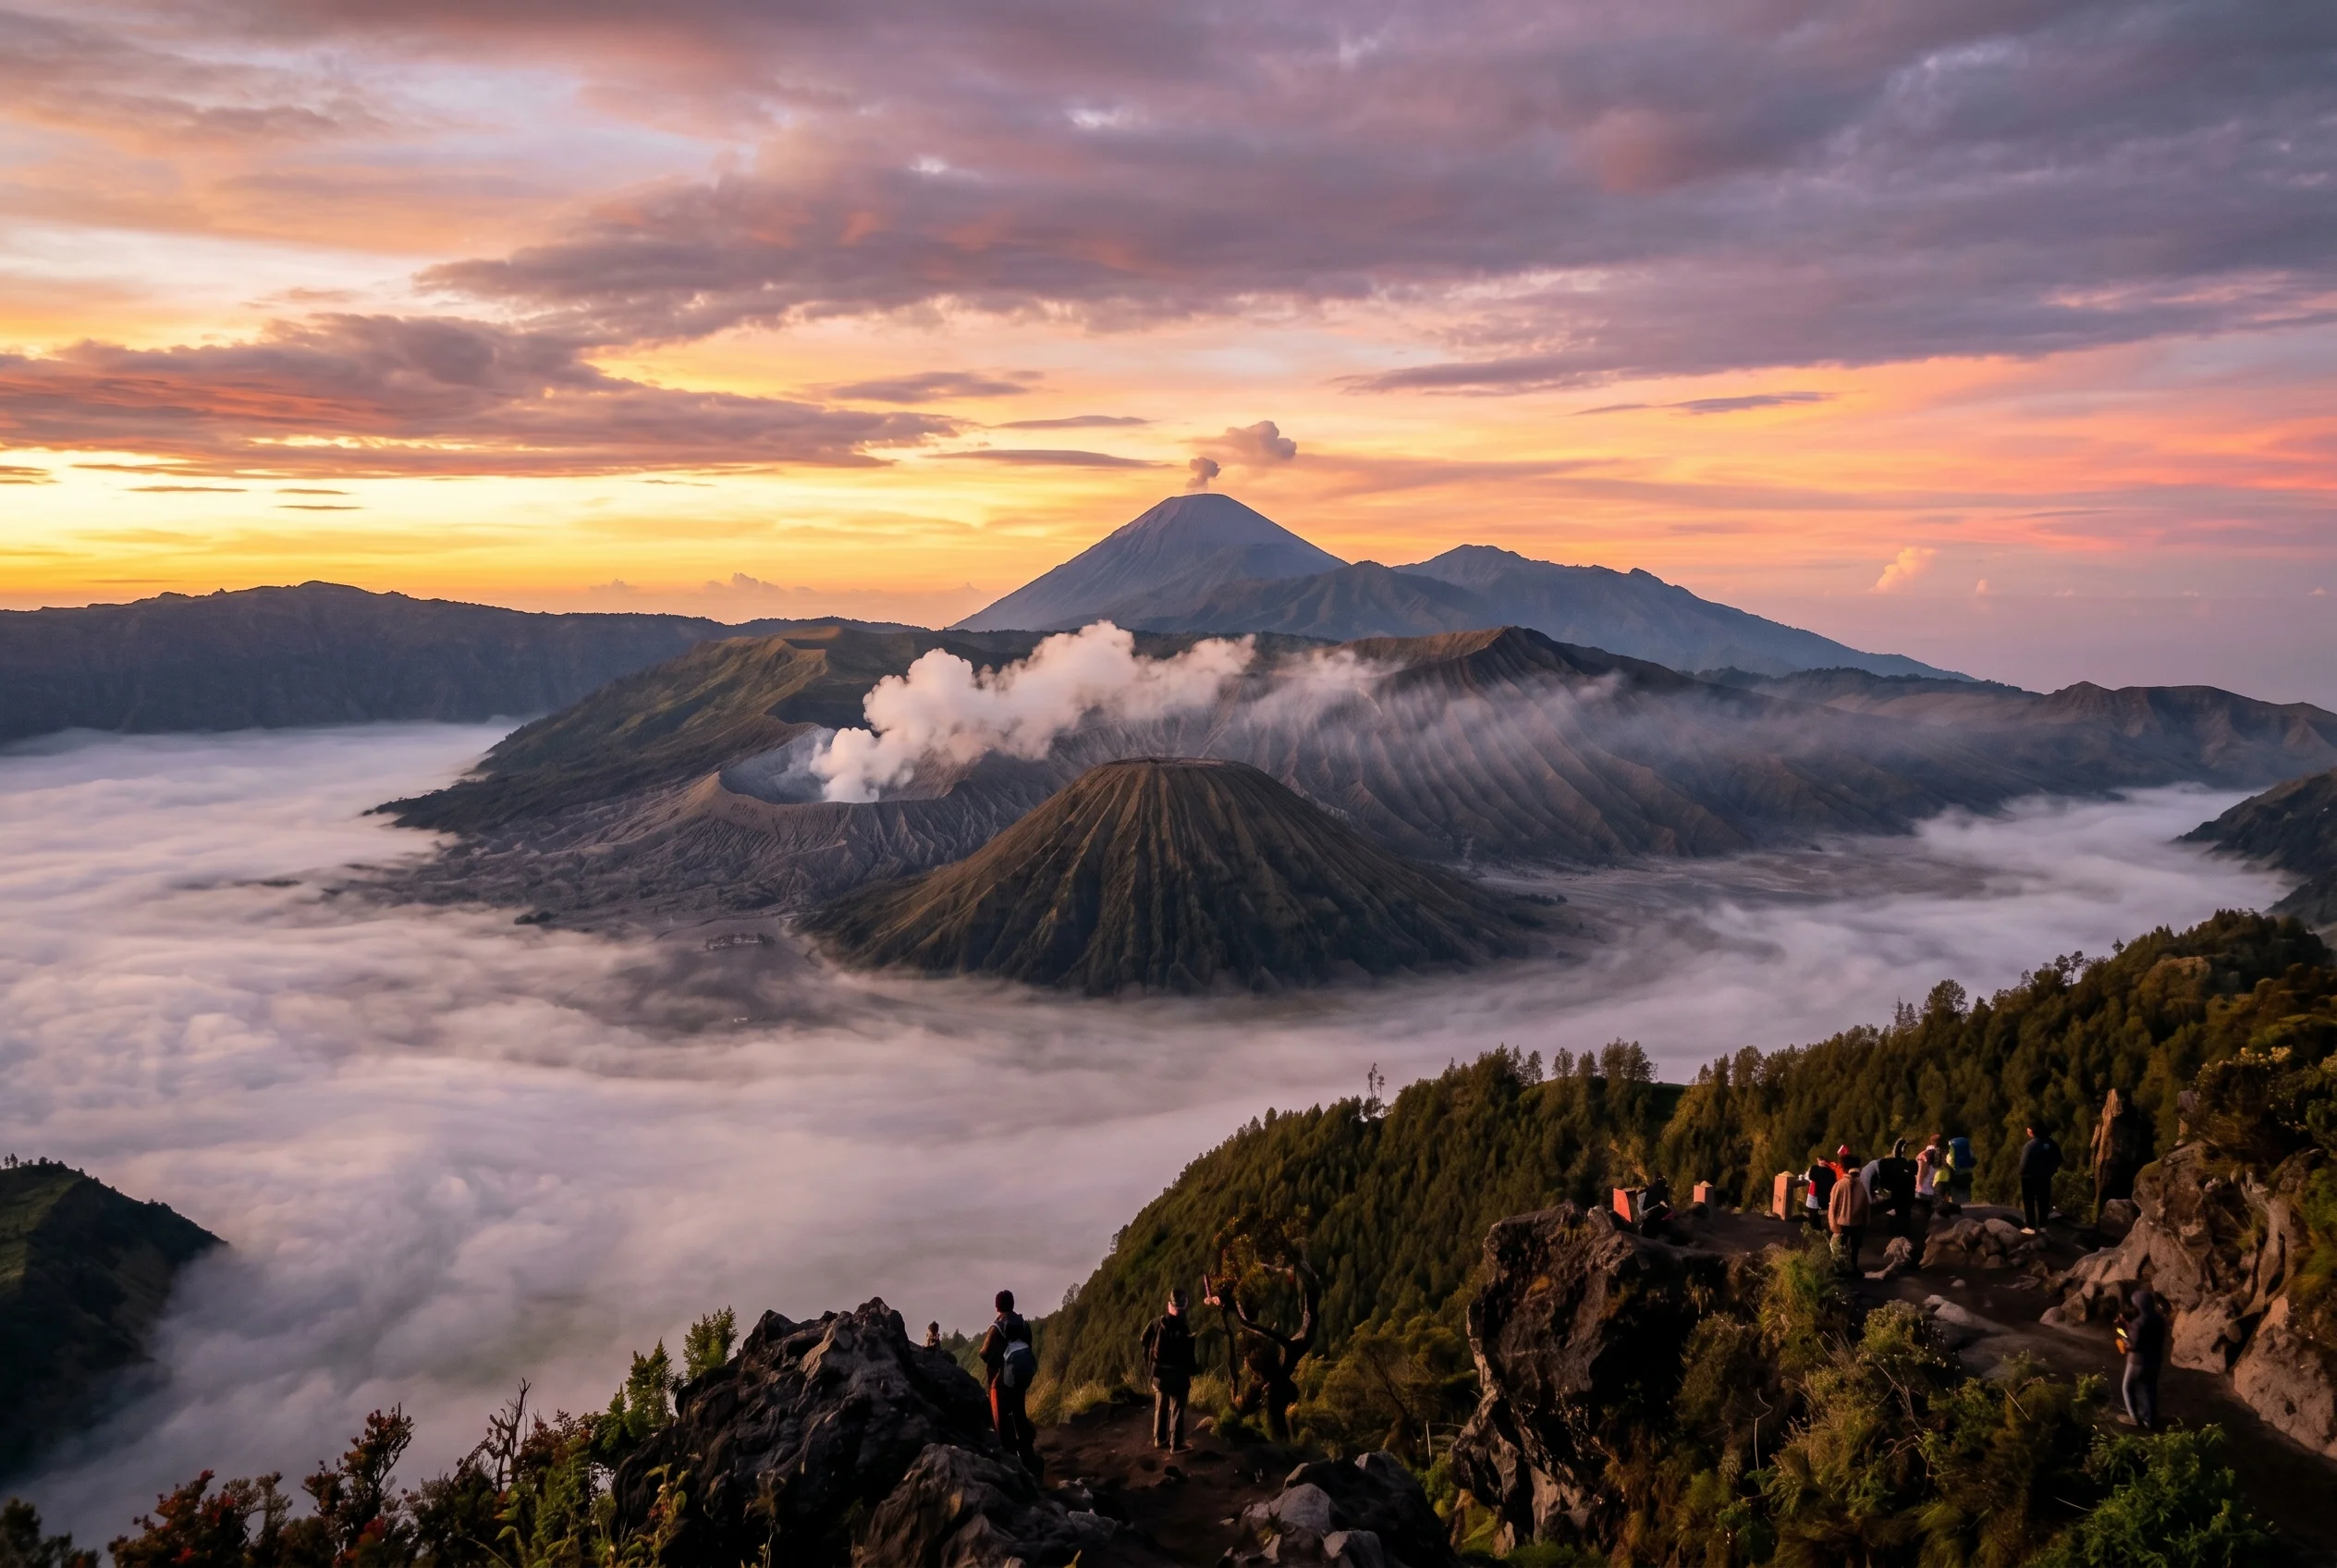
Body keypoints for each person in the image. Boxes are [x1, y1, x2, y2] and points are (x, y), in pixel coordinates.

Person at [980, 1289, 1041, 1475]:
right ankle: (1029, 1458)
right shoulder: (1024, 1325)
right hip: (1021, 1379)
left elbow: (984, 1353)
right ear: (1012, 1304)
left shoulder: (997, 1327)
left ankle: (1012, 1466)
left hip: (1000, 1382)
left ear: (997, 1306)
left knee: (1002, 1422)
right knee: (1020, 1415)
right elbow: (1028, 1346)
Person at [1140, 1288, 1198, 1451]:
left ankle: (1159, 1439)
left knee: (1161, 1404)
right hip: (1178, 1377)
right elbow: (1188, 1357)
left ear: (1169, 1305)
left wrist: (1148, 1362)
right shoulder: (1184, 1329)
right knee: (1178, 1407)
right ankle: (1176, 1444)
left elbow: (1143, 1340)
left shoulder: (1157, 1323)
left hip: (1159, 1374)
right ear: (1185, 1305)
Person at [2119, 1286, 2167, 1430]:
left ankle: (2134, 1418)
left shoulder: (2138, 1323)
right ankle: (2150, 1420)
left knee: (2127, 1388)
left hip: (2138, 1362)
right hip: (2155, 1360)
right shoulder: (2159, 1319)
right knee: (2149, 1389)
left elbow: (2133, 1345)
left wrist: (2124, 1341)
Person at [1829, 1151, 1871, 1275]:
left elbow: (1833, 1207)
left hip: (1842, 1223)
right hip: (1857, 1222)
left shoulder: (1839, 1185)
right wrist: (1866, 1221)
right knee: (1855, 1248)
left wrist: (1833, 1225)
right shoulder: (1861, 1185)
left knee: (1839, 1247)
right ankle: (1854, 1268)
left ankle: (1840, 1269)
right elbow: (1866, 1205)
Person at [2019, 1122, 2062, 1233]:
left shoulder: (2030, 1145)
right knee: (2043, 1201)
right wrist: (2051, 1171)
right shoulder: (2051, 1143)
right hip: (2045, 1177)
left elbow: (2024, 1163)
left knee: (2029, 1202)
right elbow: (2059, 1159)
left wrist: (2022, 1173)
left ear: (2032, 1131)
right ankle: (2043, 1224)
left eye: (2028, 1130)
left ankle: (2030, 1226)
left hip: (2029, 1178)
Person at [1881, 1138, 1919, 1242]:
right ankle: (1906, 1233)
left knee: (1899, 1217)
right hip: (1908, 1201)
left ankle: (1899, 1234)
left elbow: (1893, 1186)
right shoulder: (1911, 1177)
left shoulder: (1903, 1175)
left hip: (1899, 1200)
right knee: (1906, 1216)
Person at [1914, 1133, 1947, 1233]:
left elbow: (1921, 1172)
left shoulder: (1925, 1155)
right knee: (1930, 1220)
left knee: (1918, 1219)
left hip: (1923, 1191)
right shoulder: (1943, 1155)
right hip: (1934, 1192)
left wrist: (1918, 1185)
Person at [1803, 1152, 1838, 1232]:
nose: (1819, 1162)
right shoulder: (1816, 1169)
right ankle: (1816, 1229)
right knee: (1812, 1213)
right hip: (1815, 1193)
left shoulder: (1828, 1171)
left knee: (1814, 1213)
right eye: (1818, 1161)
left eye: (1820, 1161)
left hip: (1820, 1194)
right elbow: (1808, 1177)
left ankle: (1816, 1229)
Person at [1947, 1134, 1976, 1212]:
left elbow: (1948, 1166)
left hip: (1955, 1179)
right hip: (1967, 1178)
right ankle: (1968, 1211)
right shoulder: (1970, 1152)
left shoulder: (1950, 1154)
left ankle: (1959, 1212)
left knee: (1956, 1199)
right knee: (1966, 1197)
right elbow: (1974, 1163)